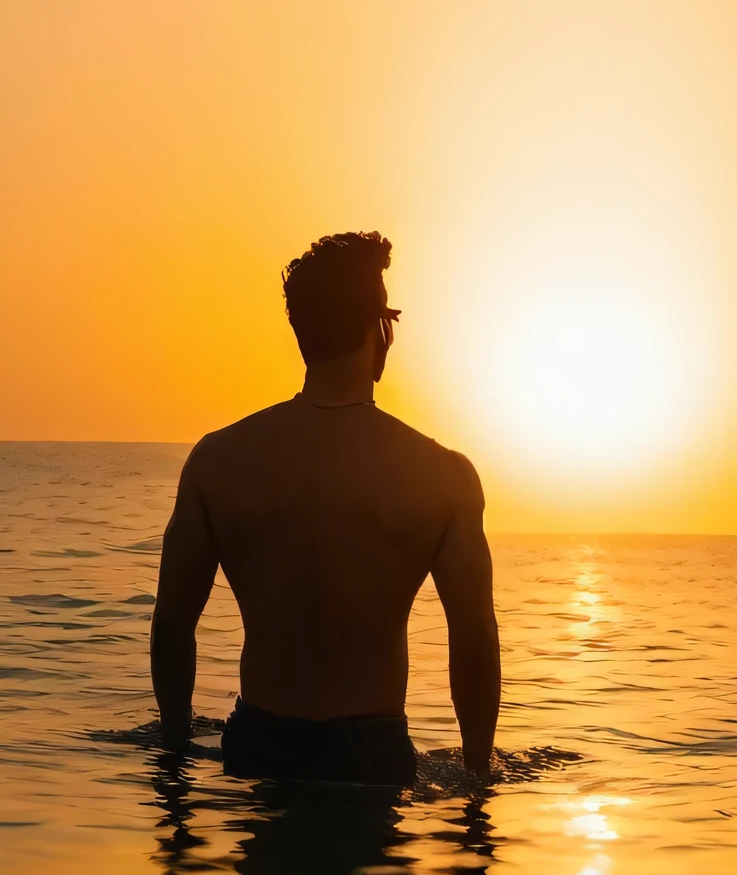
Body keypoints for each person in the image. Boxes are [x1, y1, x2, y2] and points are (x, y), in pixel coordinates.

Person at [150, 230, 501, 787]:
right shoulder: (442, 477)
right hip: (372, 751)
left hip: (257, 744)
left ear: (300, 331)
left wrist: (172, 758)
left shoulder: (217, 462)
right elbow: (475, 640)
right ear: (380, 332)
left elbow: (172, 626)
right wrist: (479, 783)